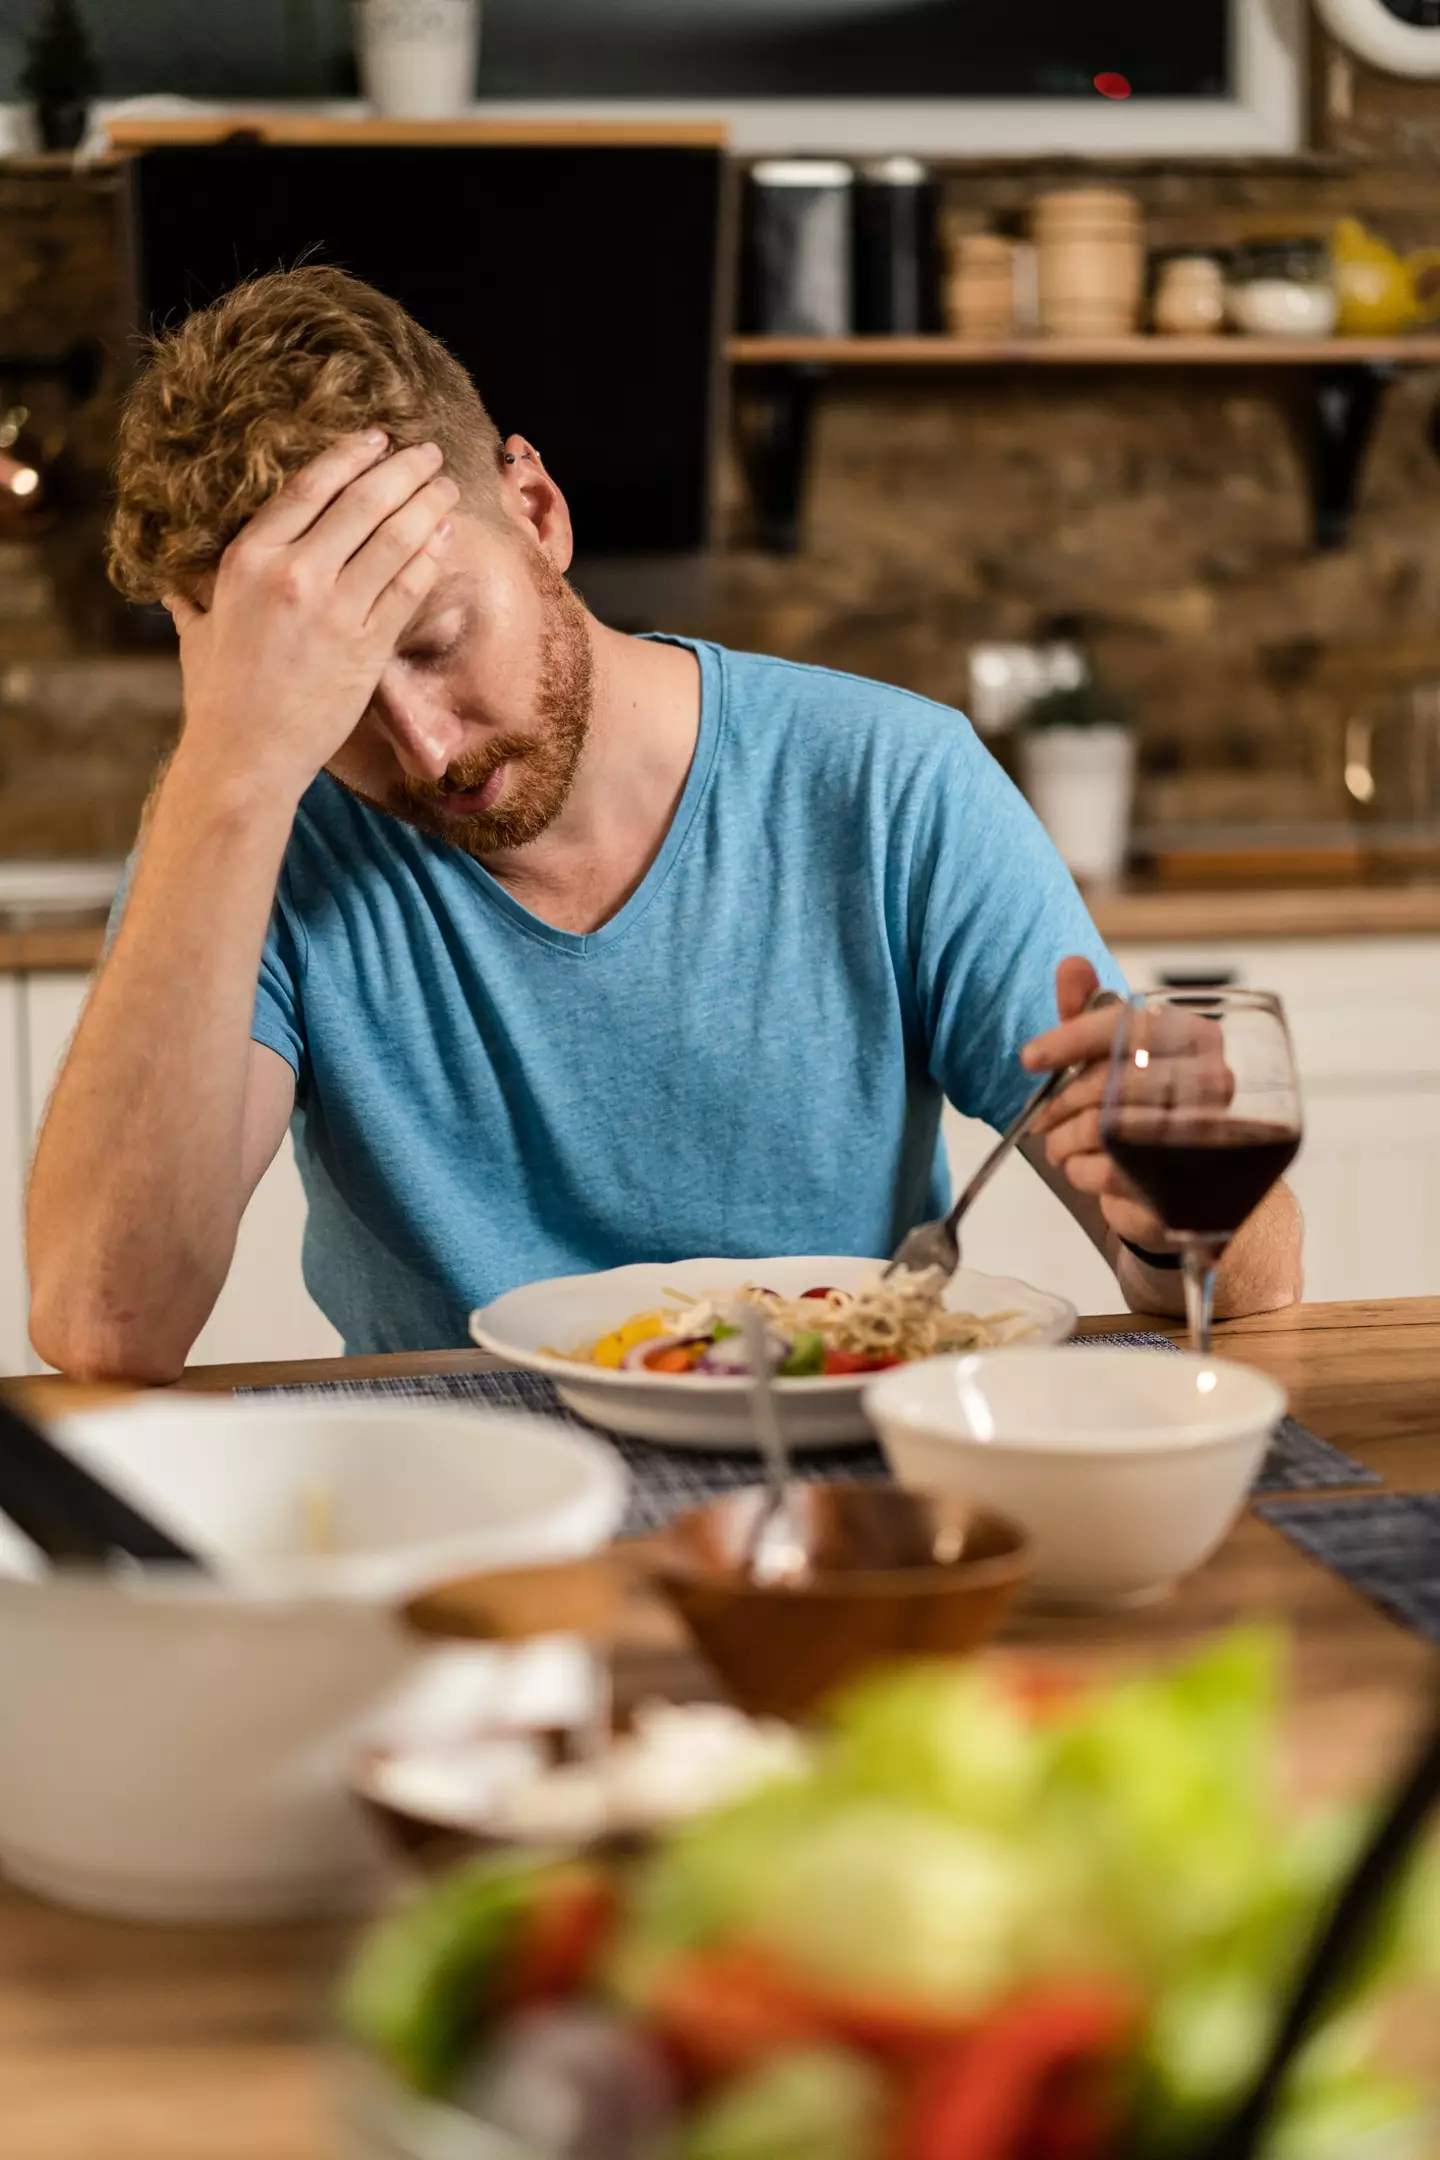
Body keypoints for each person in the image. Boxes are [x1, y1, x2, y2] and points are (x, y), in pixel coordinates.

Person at [26, 268, 1301, 1379]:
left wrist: (1176, 1180)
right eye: (328, 703)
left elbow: (1244, 1293)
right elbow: (104, 1324)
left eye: (435, 640)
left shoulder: (887, 781)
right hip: (468, 1508)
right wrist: (232, 769)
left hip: (829, 1485)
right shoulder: (250, 827)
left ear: (535, 512)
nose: (423, 747)